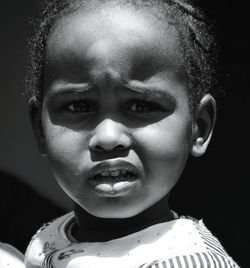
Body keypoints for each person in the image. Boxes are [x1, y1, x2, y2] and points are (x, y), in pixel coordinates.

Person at [25, 0, 240, 267]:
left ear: (199, 126)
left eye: (141, 106)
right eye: (78, 106)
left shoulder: (188, 262)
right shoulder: (49, 239)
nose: (108, 138)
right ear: (39, 128)